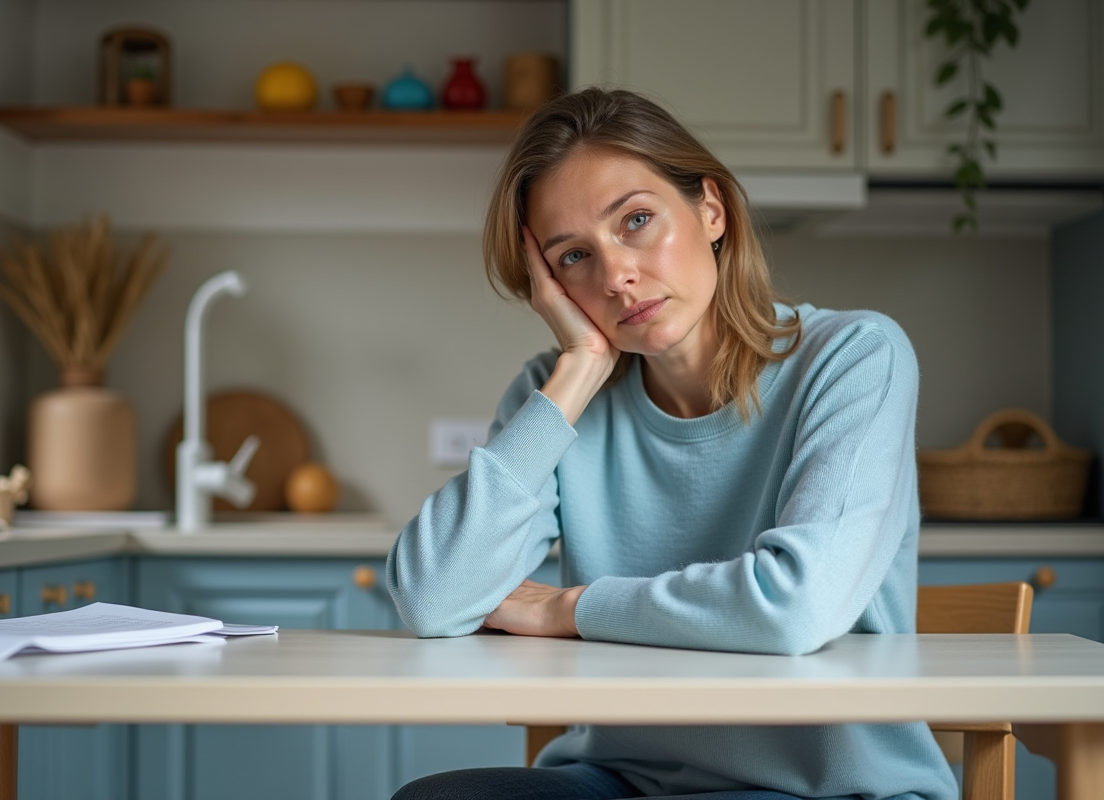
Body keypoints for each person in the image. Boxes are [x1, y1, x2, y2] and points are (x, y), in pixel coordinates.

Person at [386, 88, 957, 800]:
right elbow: (434, 599)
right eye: (572, 257)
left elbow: (797, 606)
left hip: (828, 790)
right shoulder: (559, 394)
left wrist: (570, 608)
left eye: (636, 220)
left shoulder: (854, 357)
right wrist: (579, 373)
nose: (616, 276)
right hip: (625, 781)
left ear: (710, 210)